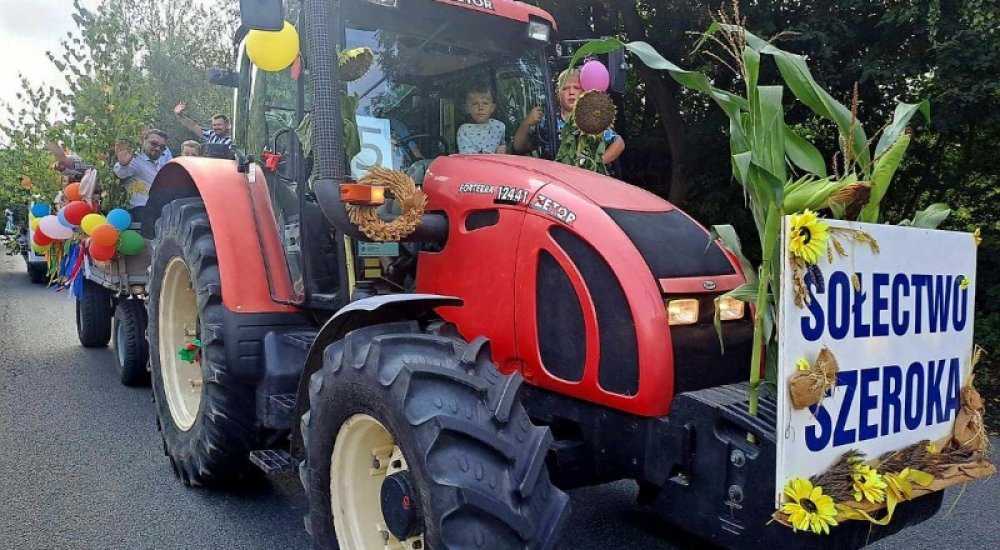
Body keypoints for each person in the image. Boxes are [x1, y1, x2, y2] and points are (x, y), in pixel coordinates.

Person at [513, 68, 625, 166]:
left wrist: (596, 163)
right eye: (566, 88)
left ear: (583, 92)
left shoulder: (592, 120)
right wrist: (526, 123)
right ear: (558, 94)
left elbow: (619, 143)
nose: (571, 92)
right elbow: (519, 147)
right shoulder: (549, 122)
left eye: (576, 87)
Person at [113, 129, 170, 215]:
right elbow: (121, 173)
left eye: (162, 147)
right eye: (154, 144)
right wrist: (123, 164)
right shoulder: (135, 158)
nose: (158, 148)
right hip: (142, 210)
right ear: (144, 141)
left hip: (160, 210)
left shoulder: (160, 164)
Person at [457, 87, 506, 154]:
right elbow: (467, 156)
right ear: (468, 108)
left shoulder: (499, 127)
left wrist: (502, 149)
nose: (480, 108)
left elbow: (503, 146)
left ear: (492, 107)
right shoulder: (464, 130)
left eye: (485, 103)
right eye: (475, 104)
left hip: (496, 164)